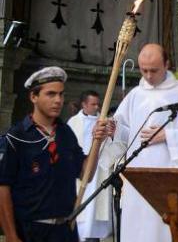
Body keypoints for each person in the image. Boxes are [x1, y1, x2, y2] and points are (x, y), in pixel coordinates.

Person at [98, 43, 178, 242]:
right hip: (138, 178)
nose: (148, 76)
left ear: (167, 64)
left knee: (161, 229)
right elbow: (127, 132)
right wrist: (115, 130)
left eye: (153, 70)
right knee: (138, 229)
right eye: (144, 70)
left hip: (168, 179)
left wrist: (168, 136)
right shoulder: (135, 95)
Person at [0, 66, 110, 242]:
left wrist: (97, 143)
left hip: (65, 231)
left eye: (61, 94)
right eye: (51, 94)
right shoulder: (17, 137)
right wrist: (11, 235)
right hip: (30, 232)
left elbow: (85, 175)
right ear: (33, 97)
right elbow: (3, 188)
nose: (58, 100)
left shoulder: (66, 133)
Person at [67, 91, 112, 242]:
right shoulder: (73, 122)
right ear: (84, 105)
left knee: (95, 211)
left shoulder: (105, 121)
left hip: (99, 172)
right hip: (81, 172)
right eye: (93, 104)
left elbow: (113, 146)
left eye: (97, 103)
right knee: (80, 213)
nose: (97, 106)